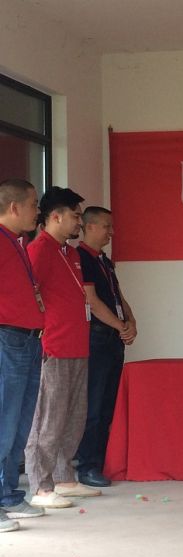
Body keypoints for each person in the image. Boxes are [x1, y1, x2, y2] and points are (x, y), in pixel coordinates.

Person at [25, 187, 102, 509]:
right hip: (53, 346)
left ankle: (64, 477)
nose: (79, 223)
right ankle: (40, 487)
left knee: (73, 416)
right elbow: (29, 294)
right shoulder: (38, 250)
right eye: (75, 216)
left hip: (77, 344)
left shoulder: (70, 253)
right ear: (55, 217)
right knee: (49, 419)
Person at [75, 206, 137, 487]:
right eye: (106, 226)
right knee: (95, 405)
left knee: (109, 404)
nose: (111, 232)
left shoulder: (104, 261)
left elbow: (117, 296)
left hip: (113, 338)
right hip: (97, 338)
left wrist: (130, 321)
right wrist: (119, 326)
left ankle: (102, 461)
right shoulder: (81, 257)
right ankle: (88, 465)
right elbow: (92, 301)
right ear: (89, 227)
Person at [0, 179, 46, 532]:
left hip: (29, 340)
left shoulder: (16, 242)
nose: (37, 212)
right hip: (7, 339)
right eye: (33, 205)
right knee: (4, 421)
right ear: (14, 207)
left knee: (20, 424)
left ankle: (9, 495)